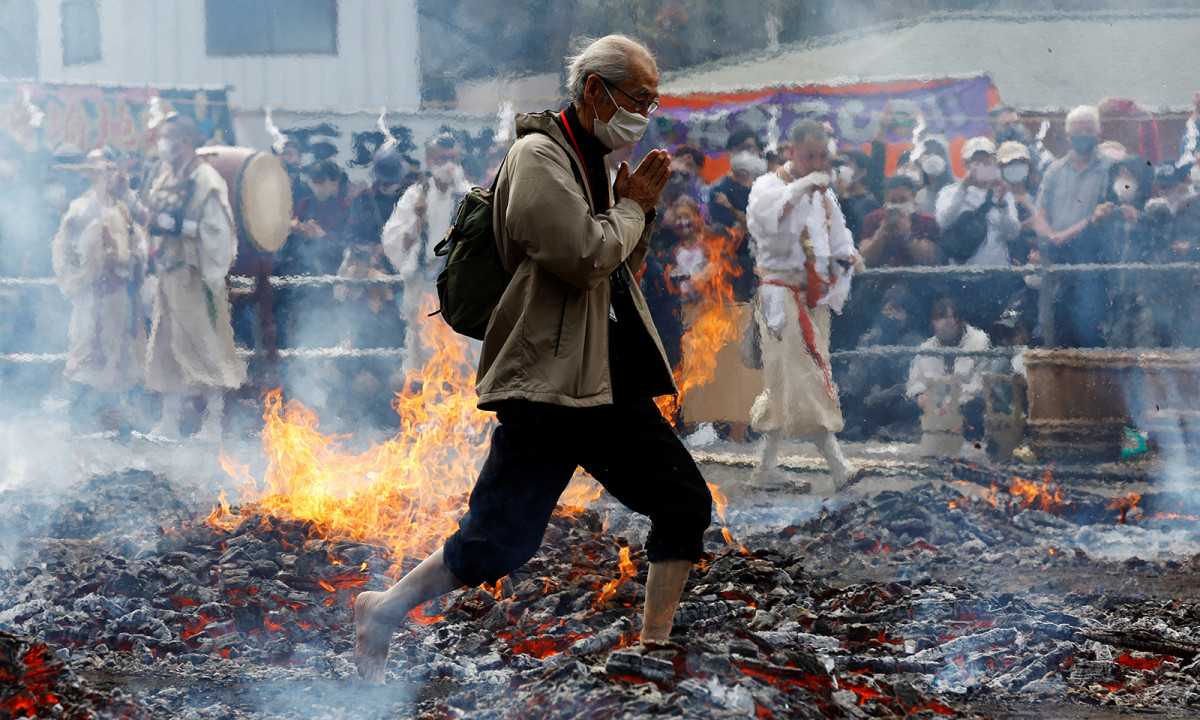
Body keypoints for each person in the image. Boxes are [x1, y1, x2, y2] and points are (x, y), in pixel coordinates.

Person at [353, 34, 712, 684]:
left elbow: (614, 269)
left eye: (652, 102)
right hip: (546, 385)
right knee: (496, 544)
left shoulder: (592, 163)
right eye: (638, 99)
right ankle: (382, 609)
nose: (645, 114)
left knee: (684, 502)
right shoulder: (541, 157)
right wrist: (633, 208)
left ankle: (653, 649)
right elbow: (583, 255)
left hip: (601, 377)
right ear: (595, 91)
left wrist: (639, 214)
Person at [745, 119, 864, 490]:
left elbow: (839, 238)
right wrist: (799, 188)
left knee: (784, 380)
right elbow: (768, 230)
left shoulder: (825, 194)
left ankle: (765, 470)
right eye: (809, 155)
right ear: (792, 151)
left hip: (814, 296)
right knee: (805, 375)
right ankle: (838, 466)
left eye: (821, 156)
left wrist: (850, 255)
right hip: (780, 294)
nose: (816, 162)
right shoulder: (767, 186)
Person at [141, 114, 246, 440]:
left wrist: (211, 275)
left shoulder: (205, 179)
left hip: (194, 276)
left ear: (184, 141)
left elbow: (216, 231)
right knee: (166, 347)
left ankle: (212, 421)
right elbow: (153, 220)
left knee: (205, 346)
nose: (163, 143)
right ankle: (169, 420)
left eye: (168, 136)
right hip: (168, 274)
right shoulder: (166, 176)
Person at [51, 150, 145, 433]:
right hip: (93, 293)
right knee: (88, 351)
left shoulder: (121, 207)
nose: (109, 175)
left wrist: (134, 261)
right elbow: (72, 243)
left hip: (120, 295)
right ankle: (79, 417)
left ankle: (116, 418)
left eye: (111, 169)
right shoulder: (81, 207)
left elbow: (137, 236)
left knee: (119, 353)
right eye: (102, 170)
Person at [382, 133, 474, 374]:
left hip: (460, 289)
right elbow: (394, 243)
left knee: (461, 354)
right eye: (443, 158)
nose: (449, 164)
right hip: (424, 287)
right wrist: (416, 219)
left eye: (454, 158)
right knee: (425, 352)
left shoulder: (471, 197)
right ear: (430, 161)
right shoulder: (415, 196)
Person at [1032, 105, 1115, 347]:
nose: (1084, 136)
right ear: (1067, 136)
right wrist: (1051, 236)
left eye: (1089, 130)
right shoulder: (1055, 170)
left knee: (1089, 327)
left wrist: (1064, 235)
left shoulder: (1111, 167)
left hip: (1092, 261)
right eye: (1078, 132)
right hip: (1058, 259)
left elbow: (1102, 214)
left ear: (1099, 133)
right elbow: (1040, 213)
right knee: (1053, 326)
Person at [935, 136, 1021, 328]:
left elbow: (1013, 233)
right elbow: (942, 222)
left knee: (997, 331)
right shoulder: (949, 192)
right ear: (965, 164)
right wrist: (964, 187)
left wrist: (1002, 204)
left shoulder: (1004, 193)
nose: (982, 166)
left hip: (996, 278)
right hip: (961, 279)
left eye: (987, 162)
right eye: (977, 162)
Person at [906, 296, 990, 442]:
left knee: (975, 407)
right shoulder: (926, 348)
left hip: (965, 405)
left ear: (959, 320)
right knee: (899, 400)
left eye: (947, 319)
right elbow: (915, 380)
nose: (942, 326)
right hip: (934, 410)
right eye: (938, 320)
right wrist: (920, 395)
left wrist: (953, 402)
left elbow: (978, 385)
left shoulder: (979, 341)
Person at [832, 148, 880, 244]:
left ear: (861, 173)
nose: (841, 169)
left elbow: (857, 231)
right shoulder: (833, 198)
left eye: (847, 165)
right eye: (840, 165)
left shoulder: (870, 203)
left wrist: (844, 198)